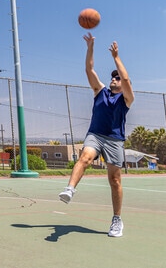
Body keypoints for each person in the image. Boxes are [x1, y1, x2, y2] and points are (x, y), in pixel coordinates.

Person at [58, 33, 134, 238]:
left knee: (114, 180)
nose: (114, 79)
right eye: (112, 77)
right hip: (95, 134)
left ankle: (117, 219)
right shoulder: (100, 91)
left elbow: (126, 78)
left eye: (116, 78)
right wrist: (90, 46)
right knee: (85, 158)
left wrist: (116, 57)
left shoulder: (126, 99)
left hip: (115, 140)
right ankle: (70, 189)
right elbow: (89, 69)